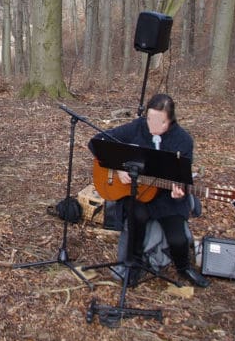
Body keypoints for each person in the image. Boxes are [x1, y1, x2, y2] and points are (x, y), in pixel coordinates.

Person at [89, 93, 209, 288]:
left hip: (167, 198)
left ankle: (184, 268)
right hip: (138, 193)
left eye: (159, 122)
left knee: (178, 239)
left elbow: (182, 177)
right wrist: (118, 169)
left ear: (170, 120)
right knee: (136, 219)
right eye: (150, 119)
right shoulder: (137, 128)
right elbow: (96, 143)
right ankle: (133, 266)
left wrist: (178, 192)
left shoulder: (183, 140)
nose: (152, 126)